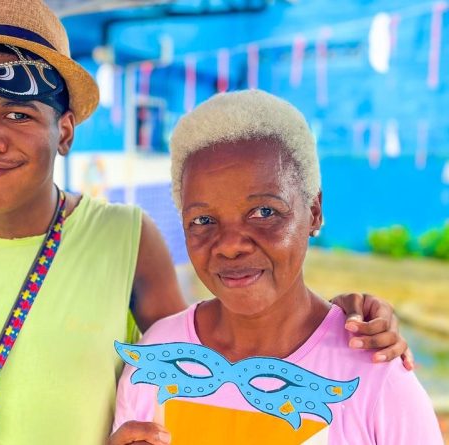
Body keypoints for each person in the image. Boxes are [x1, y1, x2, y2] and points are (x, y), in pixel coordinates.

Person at [0, 1, 411, 444]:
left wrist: (338, 324)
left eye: (18, 114)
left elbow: (203, 362)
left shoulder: (125, 238)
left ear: (64, 132)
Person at [109, 90, 442, 444]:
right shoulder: (157, 360)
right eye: (204, 219)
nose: (231, 244)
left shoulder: (374, 375)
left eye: (264, 212)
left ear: (314, 211)